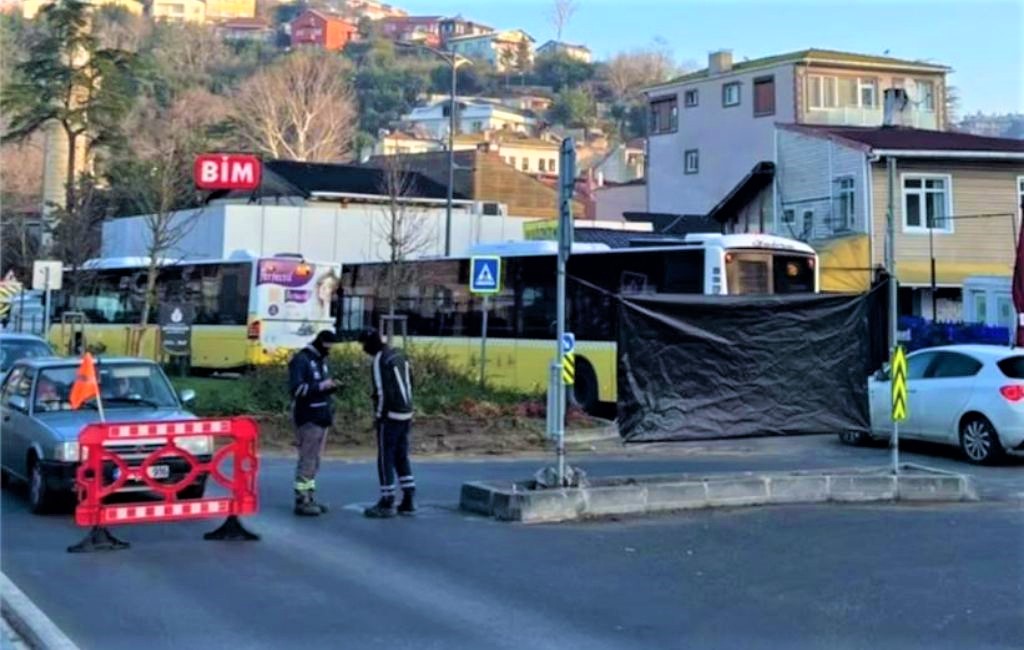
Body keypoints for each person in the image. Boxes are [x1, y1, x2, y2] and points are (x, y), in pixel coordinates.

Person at [359, 329, 416, 518]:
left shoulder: (379, 360)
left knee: (385, 458)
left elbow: (381, 391)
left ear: (369, 344)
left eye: (363, 345)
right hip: (406, 412)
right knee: (401, 455)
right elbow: (411, 383)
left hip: (390, 415)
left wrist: (378, 416)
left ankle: (387, 500)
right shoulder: (400, 355)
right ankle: (408, 497)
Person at [288, 330, 338, 516]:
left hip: (322, 415)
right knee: (307, 458)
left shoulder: (320, 360)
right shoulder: (301, 360)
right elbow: (296, 389)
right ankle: (301, 499)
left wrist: (331, 388)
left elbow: (320, 387)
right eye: (327, 347)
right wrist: (320, 386)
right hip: (309, 417)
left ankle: (309, 495)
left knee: (315, 460)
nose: (329, 351)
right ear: (320, 343)